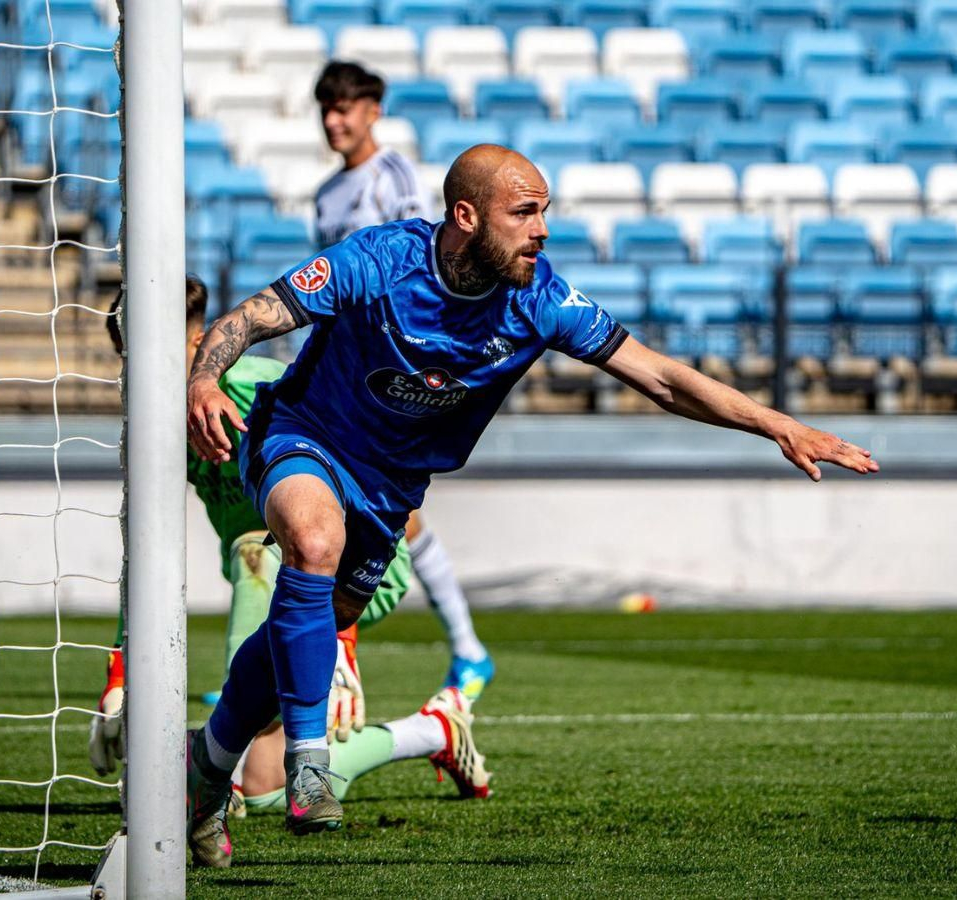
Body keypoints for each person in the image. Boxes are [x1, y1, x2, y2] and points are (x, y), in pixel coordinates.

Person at [182, 144, 881, 863]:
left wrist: (780, 425)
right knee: (313, 542)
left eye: (545, 211)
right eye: (524, 212)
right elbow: (255, 316)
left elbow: (663, 378)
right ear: (465, 215)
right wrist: (206, 377)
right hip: (305, 433)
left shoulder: (541, 299)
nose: (542, 229)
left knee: (311, 628)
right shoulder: (380, 260)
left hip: (391, 487)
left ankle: (204, 766)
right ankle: (309, 762)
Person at [91, 278, 488, 862]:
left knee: (256, 547)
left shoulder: (256, 392)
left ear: (201, 341)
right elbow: (145, 549)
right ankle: (434, 731)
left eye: (158, 348)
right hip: (278, 582)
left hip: (349, 576)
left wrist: (342, 633)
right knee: (268, 785)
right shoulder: (152, 425)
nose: (140, 368)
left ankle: (208, 775)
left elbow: (381, 498)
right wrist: (120, 671)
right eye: (130, 355)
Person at [312, 60, 494, 699]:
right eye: (327, 109)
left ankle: (455, 650)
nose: (335, 120)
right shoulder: (326, 195)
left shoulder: (393, 177)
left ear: (373, 111)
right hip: (345, 371)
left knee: (388, 511)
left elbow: (426, 264)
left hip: (392, 367)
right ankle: (458, 650)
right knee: (355, 511)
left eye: (346, 108)